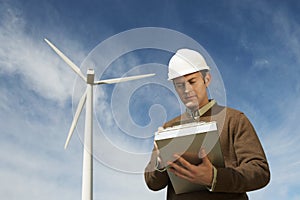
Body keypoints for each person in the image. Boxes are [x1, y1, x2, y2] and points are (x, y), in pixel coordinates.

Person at [144, 48, 270, 200]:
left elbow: (260, 172)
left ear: (207, 79)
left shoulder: (234, 119)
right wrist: (160, 163)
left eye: (192, 81)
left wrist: (214, 177)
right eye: (179, 85)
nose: (186, 90)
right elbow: (152, 183)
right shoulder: (167, 129)